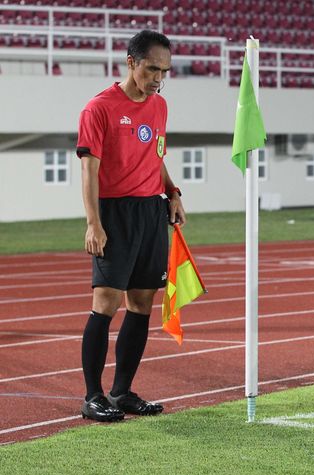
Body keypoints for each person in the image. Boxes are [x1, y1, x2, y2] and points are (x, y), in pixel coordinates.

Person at [76, 30, 185, 422]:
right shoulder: (99, 108)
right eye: (152, 68)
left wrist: (173, 192)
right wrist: (94, 223)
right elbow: (89, 170)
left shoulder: (159, 106)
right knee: (105, 303)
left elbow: (156, 155)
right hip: (114, 214)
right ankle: (92, 396)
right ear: (131, 62)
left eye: (165, 71)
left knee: (141, 304)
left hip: (151, 212)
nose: (158, 78)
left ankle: (121, 392)